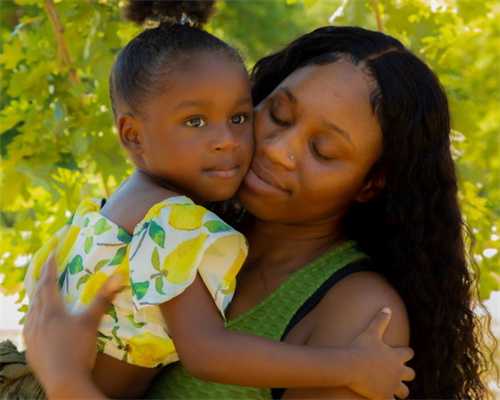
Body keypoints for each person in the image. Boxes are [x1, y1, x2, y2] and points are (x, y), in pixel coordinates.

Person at [22, 17, 492, 400]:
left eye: (323, 150)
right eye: (277, 115)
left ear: (371, 183)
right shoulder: (185, 218)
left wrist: (66, 384)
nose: (277, 150)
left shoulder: (361, 316)